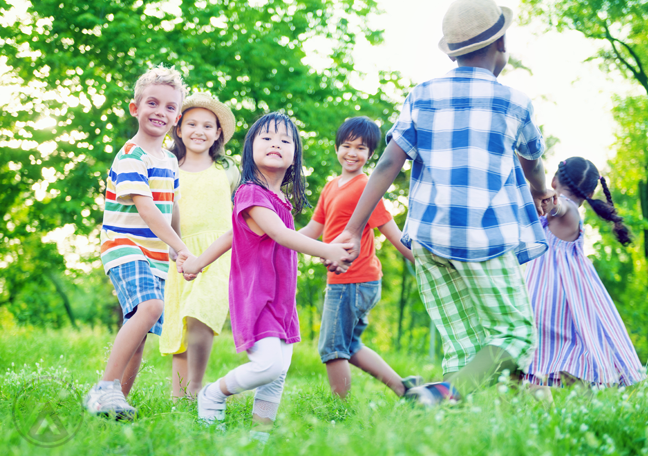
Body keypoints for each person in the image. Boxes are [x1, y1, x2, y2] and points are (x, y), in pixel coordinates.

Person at [327, 0, 554, 406]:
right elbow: (532, 158)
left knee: (462, 340)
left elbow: (388, 164)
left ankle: (445, 424)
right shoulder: (514, 102)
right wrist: (540, 190)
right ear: (501, 42)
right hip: (484, 238)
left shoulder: (423, 94)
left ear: (453, 51)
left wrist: (352, 228)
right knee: (515, 333)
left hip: (430, 240)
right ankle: (443, 395)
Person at [179, 112, 352, 443]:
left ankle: (260, 437)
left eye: (285, 140)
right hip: (256, 296)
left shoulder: (281, 200)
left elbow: (239, 235)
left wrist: (199, 261)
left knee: (278, 371)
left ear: (293, 158)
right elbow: (281, 235)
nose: (277, 143)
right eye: (267, 138)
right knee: (268, 365)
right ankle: (212, 394)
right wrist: (327, 251)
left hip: (282, 299)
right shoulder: (249, 192)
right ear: (249, 150)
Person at [85, 66, 193, 419]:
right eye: (152, 103)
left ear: (177, 117)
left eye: (170, 107)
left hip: (156, 254)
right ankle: (104, 389)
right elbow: (146, 209)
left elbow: (170, 207)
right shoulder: (132, 156)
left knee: (141, 326)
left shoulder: (171, 162)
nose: (160, 112)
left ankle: (117, 403)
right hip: (125, 245)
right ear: (135, 108)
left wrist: (177, 249)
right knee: (149, 308)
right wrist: (180, 247)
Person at [299, 116, 421, 398]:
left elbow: (393, 233)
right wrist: (276, 239)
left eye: (361, 148)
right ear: (336, 148)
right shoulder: (331, 187)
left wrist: (425, 264)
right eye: (347, 145)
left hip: (355, 280)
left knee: (332, 348)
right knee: (349, 346)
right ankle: (405, 389)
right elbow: (313, 230)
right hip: (344, 281)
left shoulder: (368, 188)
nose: (352, 153)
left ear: (371, 154)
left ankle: (339, 411)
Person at [523, 157, 645, 389]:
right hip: (560, 297)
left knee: (539, 360)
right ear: (589, 192)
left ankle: (569, 413)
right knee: (549, 361)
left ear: (555, 180)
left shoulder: (566, 209)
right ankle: (560, 415)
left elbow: (560, 206)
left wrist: (550, 200)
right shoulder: (567, 210)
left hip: (548, 295)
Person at [158, 93, 240, 399]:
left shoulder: (227, 168)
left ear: (218, 133)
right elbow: (161, 209)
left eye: (208, 125)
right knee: (181, 325)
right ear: (178, 129)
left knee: (199, 313)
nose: (199, 131)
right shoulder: (168, 166)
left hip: (219, 251)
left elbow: (240, 209)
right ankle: (180, 398)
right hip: (177, 252)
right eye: (191, 123)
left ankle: (196, 386)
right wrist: (170, 243)